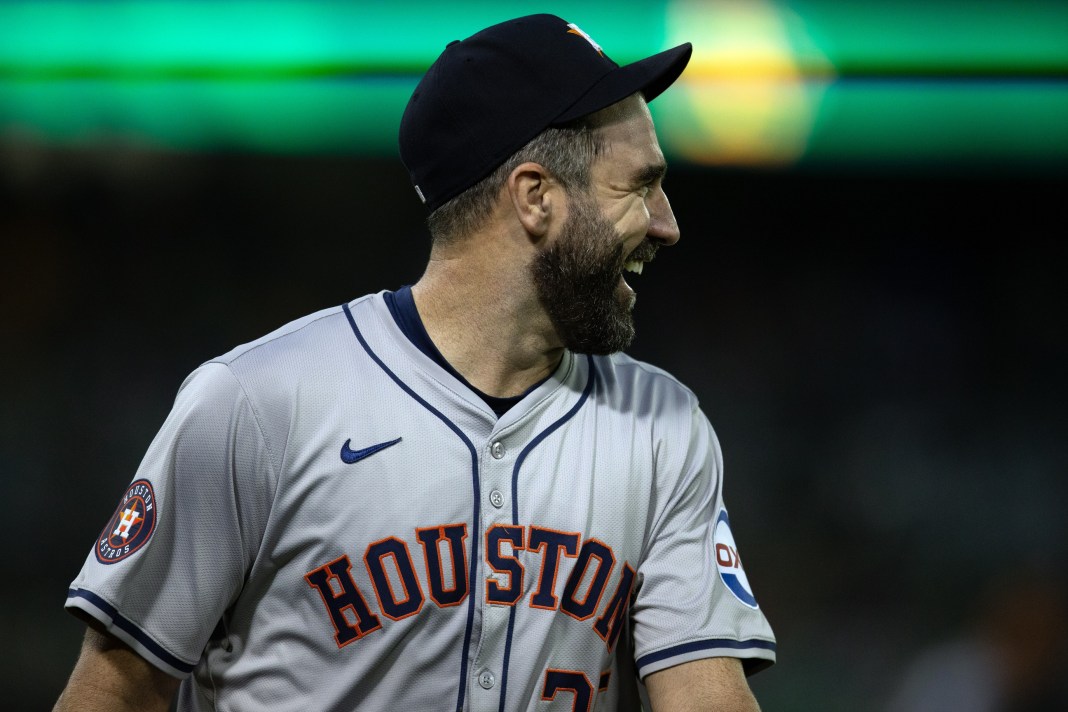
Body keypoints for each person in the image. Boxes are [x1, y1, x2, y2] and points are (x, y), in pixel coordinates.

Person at [54, 14, 776, 711]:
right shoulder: (255, 404)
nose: (666, 223)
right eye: (639, 185)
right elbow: (114, 690)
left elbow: (705, 693)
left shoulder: (663, 426)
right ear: (536, 198)